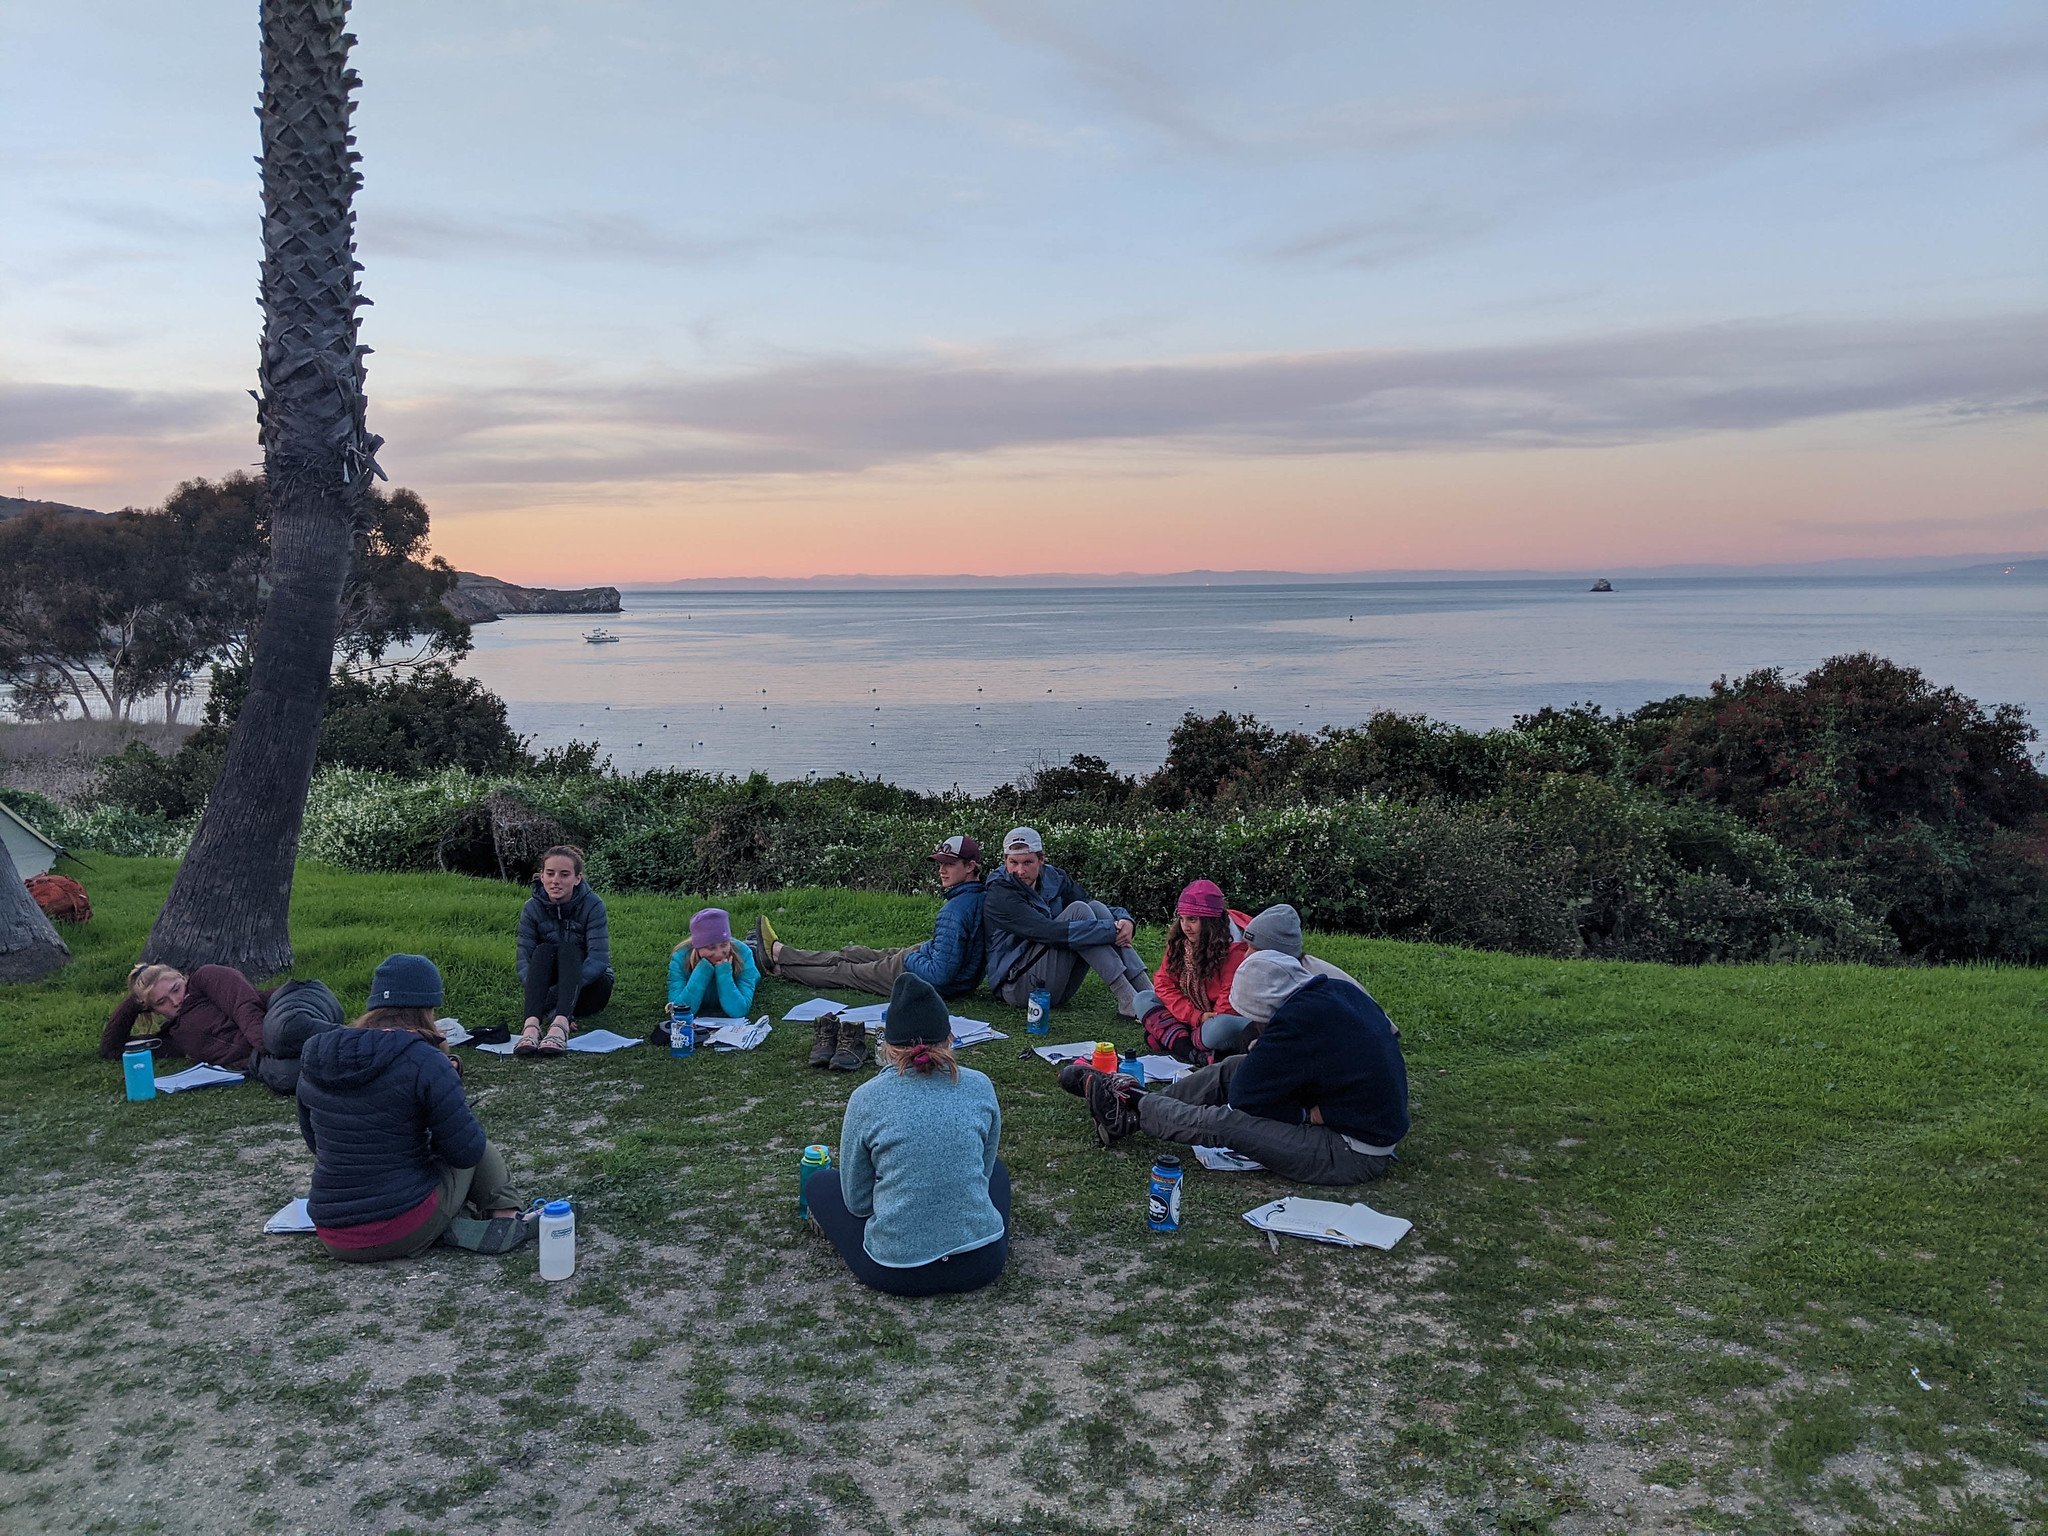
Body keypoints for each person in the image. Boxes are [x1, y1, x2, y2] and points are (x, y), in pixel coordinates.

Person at [1061, 949, 1408, 1185]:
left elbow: (1246, 1099)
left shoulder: (1295, 1025)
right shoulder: (1331, 992)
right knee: (1234, 1067)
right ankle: (1130, 1112)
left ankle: (1131, 1100)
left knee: (1228, 1123)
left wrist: (1306, 1115)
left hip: (1351, 1151)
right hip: (1341, 1113)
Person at [296, 955, 528, 1261]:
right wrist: (449, 1089)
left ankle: (452, 1223)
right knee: (478, 1144)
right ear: (429, 1010)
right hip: (402, 1226)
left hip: (334, 1234)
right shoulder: (426, 1060)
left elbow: (316, 1142)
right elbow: (465, 1151)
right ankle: (506, 1216)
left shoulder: (317, 1057)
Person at [804, 972, 1010, 1296]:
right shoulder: (980, 1085)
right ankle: (964, 1231)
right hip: (982, 1262)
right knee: (997, 1171)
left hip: (897, 1272)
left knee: (819, 1183)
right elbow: (983, 1173)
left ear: (886, 1045)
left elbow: (857, 1203)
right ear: (950, 1037)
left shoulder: (866, 1097)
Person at [752, 835, 987, 1069]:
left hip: (924, 976)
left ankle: (780, 967)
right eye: (940, 864)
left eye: (949, 864)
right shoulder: (977, 897)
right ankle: (780, 953)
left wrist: (908, 957)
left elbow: (940, 975)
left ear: (970, 867)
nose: (942, 870)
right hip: (933, 959)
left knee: (848, 972)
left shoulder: (954, 912)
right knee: (855, 953)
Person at [981, 826, 1158, 1019]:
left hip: (1055, 985)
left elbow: (1091, 903)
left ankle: (1150, 993)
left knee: (1096, 907)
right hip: (1018, 987)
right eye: (1013, 862)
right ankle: (1127, 999)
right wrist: (1110, 930)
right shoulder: (1000, 894)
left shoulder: (1055, 878)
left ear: (1041, 860)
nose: (1020, 871)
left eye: (1028, 862)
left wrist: (1124, 919)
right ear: (1005, 861)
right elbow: (1047, 932)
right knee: (1079, 912)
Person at [514, 845, 614, 1056]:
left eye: (564, 874)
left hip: (590, 989)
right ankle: (531, 1026)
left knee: (570, 950)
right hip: (548, 986)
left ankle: (560, 1025)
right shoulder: (531, 908)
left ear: (577, 878)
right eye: (550, 874)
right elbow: (524, 962)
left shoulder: (594, 905)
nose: (555, 880)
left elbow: (598, 960)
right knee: (543, 950)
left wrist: (550, 1000)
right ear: (541, 876)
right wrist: (546, 997)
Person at [1146, 879, 1255, 1062]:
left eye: (1192, 919)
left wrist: (1202, 1020)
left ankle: (1172, 1036)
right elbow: (1163, 982)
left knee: (1219, 1029)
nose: (1185, 926)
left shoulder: (1236, 948)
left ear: (1210, 921)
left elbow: (1228, 1004)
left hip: (1224, 1017)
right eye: (1182, 918)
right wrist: (1195, 1017)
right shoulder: (1181, 940)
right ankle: (1193, 1050)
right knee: (1142, 999)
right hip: (1197, 1014)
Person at [98, 962, 270, 1070]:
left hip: (279, 1018)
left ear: (183, 978)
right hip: (265, 1062)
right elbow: (112, 1048)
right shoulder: (175, 1038)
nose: (174, 1001)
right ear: (153, 1010)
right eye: (161, 1002)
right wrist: (136, 1000)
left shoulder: (205, 979)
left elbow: (245, 1009)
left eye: (176, 989)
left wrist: (268, 1049)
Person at [668, 906, 760, 1017]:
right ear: (697, 948)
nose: (719, 954)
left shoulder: (744, 954)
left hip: (749, 954)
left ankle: (758, 940)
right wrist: (703, 970)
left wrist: (724, 973)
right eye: (711, 948)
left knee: (762, 956)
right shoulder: (680, 958)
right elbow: (679, 1012)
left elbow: (739, 1011)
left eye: (724, 944)